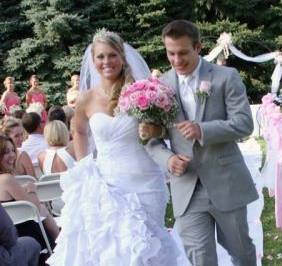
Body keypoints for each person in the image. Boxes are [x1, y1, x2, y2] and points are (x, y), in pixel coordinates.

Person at [46, 29, 183, 266]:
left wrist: (153, 131)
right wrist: (83, 163)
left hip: (146, 182)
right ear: (93, 60)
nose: (106, 62)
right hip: (108, 184)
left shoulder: (142, 90)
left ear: (122, 57)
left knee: (148, 249)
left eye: (111, 55)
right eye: (100, 57)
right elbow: (78, 130)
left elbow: (165, 129)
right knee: (114, 251)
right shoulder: (86, 98)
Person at [145, 20, 258, 266]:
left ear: (198, 47)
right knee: (200, 258)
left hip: (225, 181)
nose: (176, 60)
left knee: (241, 253)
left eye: (183, 52)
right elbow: (150, 139)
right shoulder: (160, 86)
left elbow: (244, 124)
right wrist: (168, 159)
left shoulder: (225, 76)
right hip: (186, 186)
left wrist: (203, 130)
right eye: (170, 53)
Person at [0, 134, 59, 262]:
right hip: (25, 234)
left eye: (12, 151)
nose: (12, 156)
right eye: (6, 153)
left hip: (9, 239)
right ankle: (60, 247)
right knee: (42, 209)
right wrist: (31, 190)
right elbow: (35, 208)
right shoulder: (6, 179)